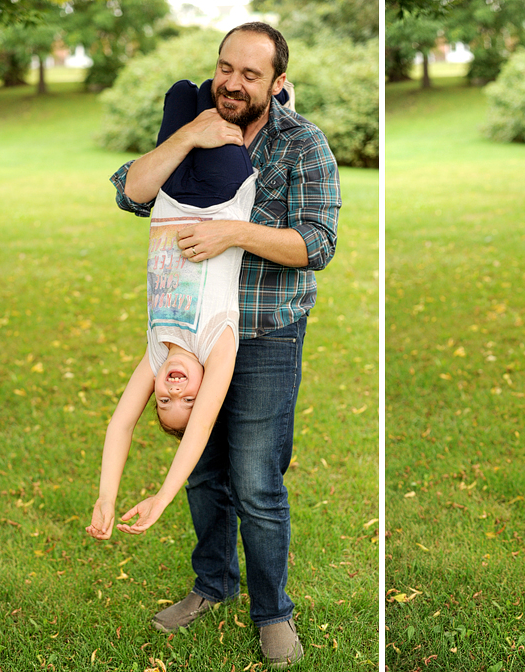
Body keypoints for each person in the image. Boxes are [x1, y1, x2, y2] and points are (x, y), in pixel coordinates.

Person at [106, 22, 341, 668]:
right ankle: (213, 583)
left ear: (278, 83)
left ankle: (273, 612)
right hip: (189, 339)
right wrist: (190, 135)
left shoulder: (303, 145)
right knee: (204, 474)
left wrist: (234, 235)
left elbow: (316, 243)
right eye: (225, 68)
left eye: (250, 75)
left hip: (265, 332)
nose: (232, 84)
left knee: (256, 480)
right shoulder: (198, 124)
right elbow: (131, 190)